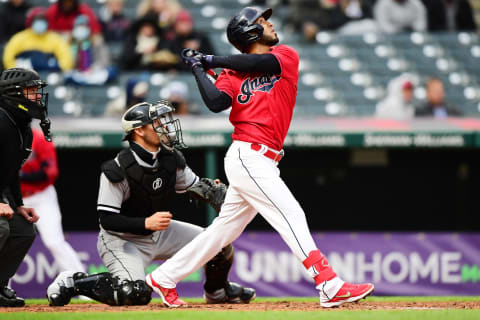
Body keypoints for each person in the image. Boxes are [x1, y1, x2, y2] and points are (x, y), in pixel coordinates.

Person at [145, 7, 374, 308]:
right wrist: (198, 69)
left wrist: (209, 59)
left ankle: (164, 277)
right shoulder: (231, 74)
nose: (270, 24)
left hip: (263, 158)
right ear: (249, 32)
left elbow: (258, 61)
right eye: (262, 22)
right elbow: (216, 102)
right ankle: (327, 282)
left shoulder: (285, 56)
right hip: (248, 155)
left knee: (222, 231)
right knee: (290, 214)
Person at [46, 100, 255, 307]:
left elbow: (198, 187)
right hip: (123, 240)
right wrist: (146, 223)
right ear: (139, 131)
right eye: (156, 122)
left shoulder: (171, 158)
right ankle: (74, 281)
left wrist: (215, 192)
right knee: (135, 294)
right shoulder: (117, 169)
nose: (164, 126)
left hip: (160, 232)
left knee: (218, 244)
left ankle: (217, 292)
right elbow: (107, 220)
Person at [0, 67, 51, 307]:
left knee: (23, 229)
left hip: (5, 193)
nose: (38, 96)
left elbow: (9, 172)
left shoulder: (23, 127)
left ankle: (0, 287)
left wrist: (18, 205)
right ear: (14, 93)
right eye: (32, 91)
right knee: (1, 227)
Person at [20, 129, 86, 274]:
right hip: (12, 197)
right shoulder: (6, 136)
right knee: (5, 241)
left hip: (41, 196)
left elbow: (50, 173)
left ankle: (82, 285)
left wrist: (18, 175)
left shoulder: (38, 138)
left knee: (54, 242)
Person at [3, 7, 74, 72]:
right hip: (24, 76)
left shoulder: (55, 39)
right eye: (37, 20)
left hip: (49, 75)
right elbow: (8, 57)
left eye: (43, 20)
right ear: (31, 21)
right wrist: (16, 70)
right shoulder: (20, 37)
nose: (40, 23)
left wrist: (56, 68)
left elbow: (67, 59)